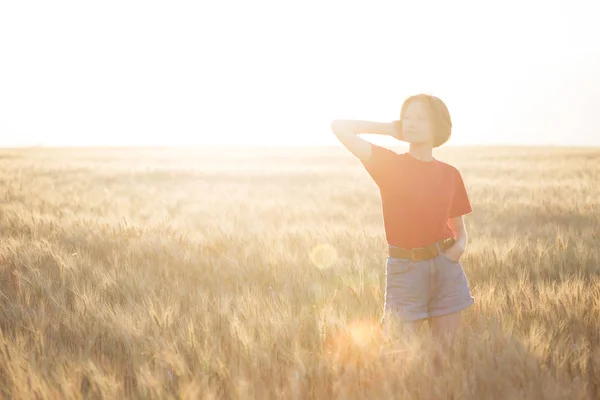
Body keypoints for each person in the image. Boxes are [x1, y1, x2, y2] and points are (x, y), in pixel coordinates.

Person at [330, 94, 474, 343]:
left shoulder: (451, 174)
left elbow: (458, 228)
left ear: (437, 125)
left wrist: (458, 249)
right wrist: (388, 129)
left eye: (420, 118)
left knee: (447, 355)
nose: (411, 122)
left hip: (446, 269)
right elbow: (339, 127)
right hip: (406, 270)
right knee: (399, 355)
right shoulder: (388, 165)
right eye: (407, 117)